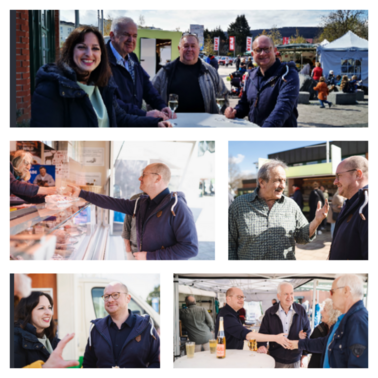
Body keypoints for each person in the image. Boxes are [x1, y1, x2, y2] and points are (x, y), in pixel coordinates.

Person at [31, 26, 171, 128]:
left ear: (101, 54)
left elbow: (121, 118)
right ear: (69, 51)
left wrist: (155, 123)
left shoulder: (103, 84)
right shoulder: (50, 89)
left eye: (95, 48)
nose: (89, 53)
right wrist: (146, 115)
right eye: (81, 47)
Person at [68, 163, 198, 260]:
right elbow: (111, 202)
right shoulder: (141, 203)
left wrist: (149, 257)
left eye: (144, 175)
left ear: (157, 178)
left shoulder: (177, 207)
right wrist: (81, 193)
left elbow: (190, 248)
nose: (139, 178)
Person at [229, 160, 329, 260]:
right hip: (250, 274)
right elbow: (229, 245)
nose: (283, 186)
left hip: (285, 274)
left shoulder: (291, 205)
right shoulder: (239, 205)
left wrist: (316, 221)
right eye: (278, 180)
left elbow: (302, 237)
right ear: (262, 182)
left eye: (284, 181)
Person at [289, 274, 368, 368]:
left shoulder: (358, 322)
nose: (330, 297)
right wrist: (298, 344)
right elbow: (325, 343)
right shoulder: (344, 319)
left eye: (332, 292)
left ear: (346, 291)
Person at [224, 36, 299, 127]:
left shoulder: (288, 74)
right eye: (258, 50)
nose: (263, 53)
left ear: (275, 51)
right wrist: (235, 111)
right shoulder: (251, 76)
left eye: (267, 49)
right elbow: (245, 104)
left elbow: (282, 109)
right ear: (253, 54)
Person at [107, 17, 173, 119]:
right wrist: (143, 114)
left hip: (135, 121)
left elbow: (146, 86)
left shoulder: (132, 57)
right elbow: (110, 100)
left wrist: (162, 106)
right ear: (112, 36)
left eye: (134, 36)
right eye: (126, 34)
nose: (131, 40)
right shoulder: (101, 60)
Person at [83, 282, 160, 368]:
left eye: (115, 295)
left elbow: (157, 362)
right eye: (106, 296)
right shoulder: (96, 330)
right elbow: (88, 364)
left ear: (128, 298)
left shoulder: (146, 327)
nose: (110, 300)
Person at [152, 33, 229, 114]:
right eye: (186, 46)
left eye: (193, 46)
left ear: (198, 49)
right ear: (179, 48)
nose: (189, 49)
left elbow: (223, 94)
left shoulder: (210, 71)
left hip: (205, 124)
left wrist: (224, 112)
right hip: (173, 124)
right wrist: (158, 119)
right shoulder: (166, 71)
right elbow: (152, 97)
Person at [214, 287, 290, 350]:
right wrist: (276, 338)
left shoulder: (233, 313)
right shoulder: (226, 315)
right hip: (228, 359)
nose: (242, 300)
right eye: (238, 297)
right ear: (228, 299)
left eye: (243, 297)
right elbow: (246, 334)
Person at [257, 283, 311, 368]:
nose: (289, 296)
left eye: (291, 293)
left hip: (295, 359)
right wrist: (262, 346)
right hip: (276, 359)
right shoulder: (269, 312)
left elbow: (307, 331)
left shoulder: (301, 310)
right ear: (279, 296)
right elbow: (263, 333)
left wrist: (305, 354)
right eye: (286, 294)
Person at [329, 156, 368, 260]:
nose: (335, 182)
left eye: (339, 176)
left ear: (357, 175)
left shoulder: (368, 206)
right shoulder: (350, 203)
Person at [14, 291, 60, 368]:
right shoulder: (14, 341)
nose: (49, 313)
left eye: (50, 308)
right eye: (41, 308)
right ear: (27, 312)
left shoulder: (53, 340)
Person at [300, 298, 342, 368]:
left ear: (332, 314)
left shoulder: (339, 333)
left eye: (324, 310)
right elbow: (308, 347)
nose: (321, 312)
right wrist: (302, 339)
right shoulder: (319, 328)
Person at [121, 192, 146, 260]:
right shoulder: (135, 200)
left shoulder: (164, 202)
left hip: (154, 256)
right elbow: (126, 227)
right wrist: (128, 251)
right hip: (134, 252)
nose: (140, 180)